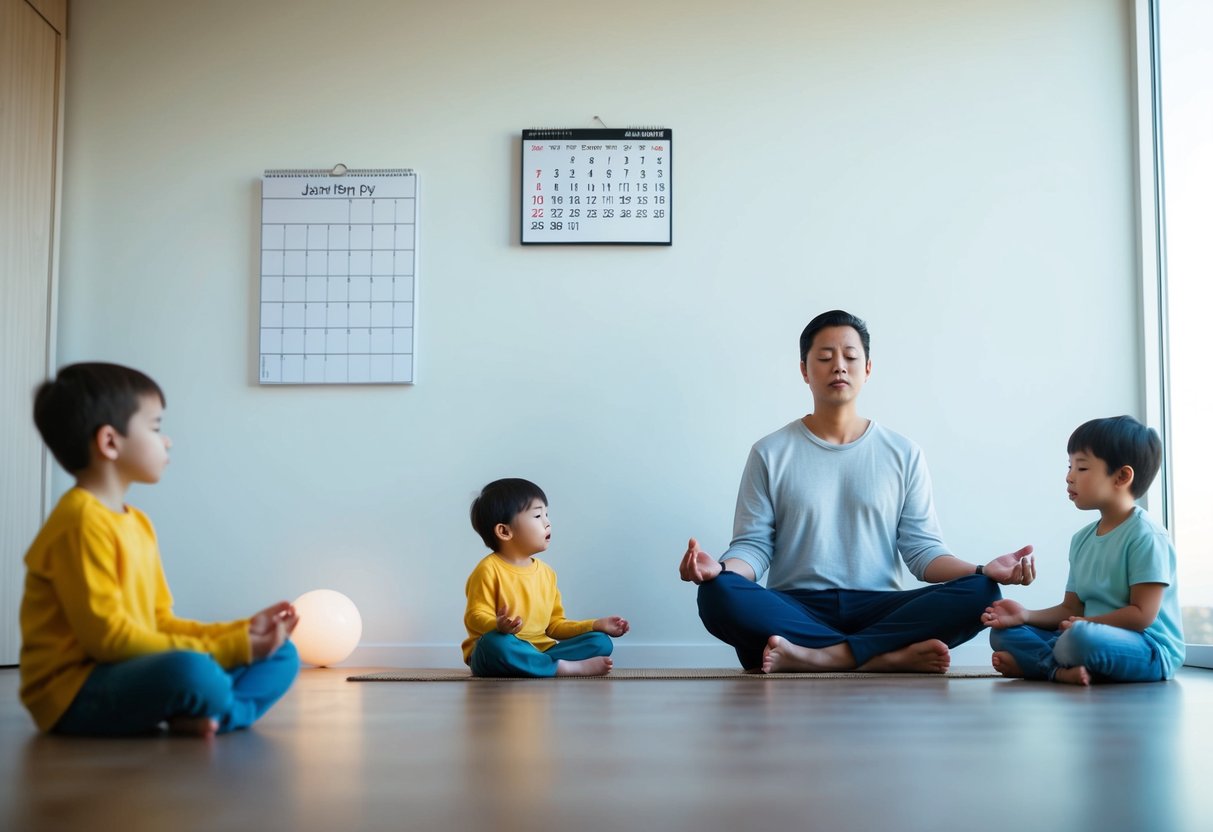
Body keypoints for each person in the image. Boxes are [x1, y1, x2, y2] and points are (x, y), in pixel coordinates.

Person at [679, 310, 1036, 673]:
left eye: (850, 357)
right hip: (796, 607)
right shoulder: (770, 452)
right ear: (804, 370)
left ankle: (818, 657)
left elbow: (922, 552)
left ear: (867, 369)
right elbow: (754, 548)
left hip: (880, 608)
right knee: (717, 594)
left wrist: (981, 569)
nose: (839, 367)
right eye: (824, 358)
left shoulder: (903, 452)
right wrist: (720, 570)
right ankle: (882, 657)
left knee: (982, 592)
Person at [19, 362, 300, 737]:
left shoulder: (137, 523)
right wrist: (233, 648)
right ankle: (215, 707)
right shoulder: (80, 522)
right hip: (75, 692)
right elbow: (109, 642)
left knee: (282, 654)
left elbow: (160, 622)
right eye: (155, 428)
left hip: (128, 669)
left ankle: (213, 714)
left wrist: (245, 631)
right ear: (109, 442)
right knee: (192, 672)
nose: (166, 440)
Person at [982, 416, 1184, 685]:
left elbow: (1142, 615)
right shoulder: (1081, 539)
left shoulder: (1146, 535)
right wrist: (1024, 615)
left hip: (1148, 648)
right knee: (1002, 634)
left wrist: (1087, 625)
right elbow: (1070, 608)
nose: (1069, 477)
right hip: (1084, 632)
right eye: (1070, 466)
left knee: (1078, 640)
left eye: (1082, 468)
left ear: (1122, 476)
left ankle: (1040, 665)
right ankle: (1056, 669)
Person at [463, 478, 630, 677]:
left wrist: (596, 624)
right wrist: (498, 626)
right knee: (496, 643)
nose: (547, 522)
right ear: (504, 531)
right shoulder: (488, 569)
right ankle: (562, 668)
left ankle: (540, 664)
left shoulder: (546, 573)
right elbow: (474, 616)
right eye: (537, 515)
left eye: (546, 514)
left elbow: (555, 626)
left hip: (540, 650)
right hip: (495, 652)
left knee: (600, 641)